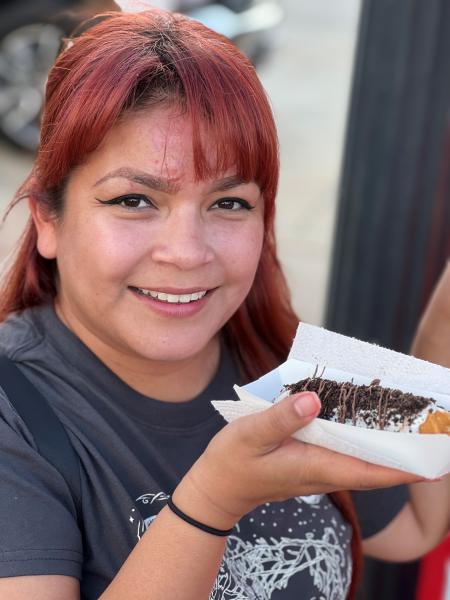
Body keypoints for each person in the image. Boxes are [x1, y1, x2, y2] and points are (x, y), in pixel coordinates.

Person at [0, 7, 448, 600]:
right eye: (134, 200)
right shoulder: (15, 417)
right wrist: (213, 500)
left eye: (229, 203)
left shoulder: (279, 358)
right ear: (48, 220)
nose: (187, 253)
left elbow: (415, 524)